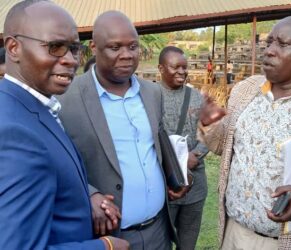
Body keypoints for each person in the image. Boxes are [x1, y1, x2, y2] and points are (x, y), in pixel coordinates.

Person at [199, 16, 291, 250]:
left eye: (282, 44)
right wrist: (211, 125)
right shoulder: (246, 89)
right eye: (269, 43)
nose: (269, 51)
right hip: (236, 235)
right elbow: (225, 147)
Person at [0, 1, 128, 249]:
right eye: (55, 47)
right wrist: (105, 246)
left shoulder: (30, 107)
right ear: (14, 48)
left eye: (73, 49)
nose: (70, 60)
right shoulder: (16, 132)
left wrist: (86, 196)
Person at [59, 11, 190, 250]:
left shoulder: (152, 93)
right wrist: (89, 194)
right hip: (108, 237)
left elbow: (156, 145)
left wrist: (174, 175)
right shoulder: (66, 98)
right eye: (115, 47)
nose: (127, 55)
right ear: (94, 47)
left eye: (133, 46)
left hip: (158, 231)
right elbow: (54, 162)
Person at [158, 46, 208, 250]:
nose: (182, 71)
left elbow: (211, 132)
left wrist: (195, 154)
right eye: (175, 67)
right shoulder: (149, 96)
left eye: (184, 67)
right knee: (160, 241)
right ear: (161, 68)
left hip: (194, 184)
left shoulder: (198, 97)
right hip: (162, 185)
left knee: (187, 242)